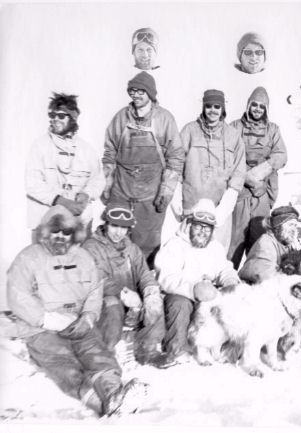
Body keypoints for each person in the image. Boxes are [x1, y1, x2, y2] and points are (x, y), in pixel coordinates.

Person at [6, 206, 147, 416]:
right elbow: (17, 295)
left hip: (76, 322)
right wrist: (47, 320)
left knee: (98, 354)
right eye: (55, 232)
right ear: (45, 232)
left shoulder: (82, 257)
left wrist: (89, 317)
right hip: (40, 329)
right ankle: (101, 404)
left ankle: (113, 393)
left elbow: (94, 290)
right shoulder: (29, 257)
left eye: (66, 232)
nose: (60, 237)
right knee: (64, 365)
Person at [102, 71, 184, 267]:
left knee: (147, 243)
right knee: (116, 237)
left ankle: (145, 286)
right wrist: (107, 184)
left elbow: (176, 156)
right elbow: (109, 151)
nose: (136, 95)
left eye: (141, 91)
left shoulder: (164, 119)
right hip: (122, 190)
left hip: (151, 193)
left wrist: (166, 191)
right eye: (133, 91)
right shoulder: (122, 117)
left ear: (151, 94)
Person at [155, 198, 241, 365]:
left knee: (233, 303)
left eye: (207, 228)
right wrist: (192, 289)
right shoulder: (175, 245)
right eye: (199, 226)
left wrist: (231, 281)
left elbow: (224, 269)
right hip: (182, 294)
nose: (203, 232)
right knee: (179, 304)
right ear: (189, 224)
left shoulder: (215, 248)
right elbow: (166, 277)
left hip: (208, 296)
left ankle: (227, 349)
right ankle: (177, 349)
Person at [82, 203, 167, 366]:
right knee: (112, 304)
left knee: (155, 300)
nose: (118, 232)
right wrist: (122, 294)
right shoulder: (91, 247)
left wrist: (150, 291)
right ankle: (105, 354)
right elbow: (97, 279)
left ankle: (147, 350)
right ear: (106, 223)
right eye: (114, 225)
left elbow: (144, 273)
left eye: (123, 227)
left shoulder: (132, 249)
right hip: (103, 304)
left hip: (131, 304)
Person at [25, 93, 104, 238]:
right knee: (44, 260)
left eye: (61, 116)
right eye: (52, 115)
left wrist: (86, 194)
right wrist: (60, 201)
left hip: (78, 224)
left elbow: (98, 180)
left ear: (73, 118)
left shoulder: (87, 150)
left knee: (80, 259)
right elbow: (32, 184)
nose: (55, 119)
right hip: (45, 224)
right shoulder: (40, 146)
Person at [176, 89, 246, 252]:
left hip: (218, 207)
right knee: (187, 249)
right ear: (203, 107)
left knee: (214, 251)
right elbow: (176, 163)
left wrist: (223, 210)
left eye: (217, 106)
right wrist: (179, 205)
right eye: (208, 106)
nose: (212, 110)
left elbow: (238, 174)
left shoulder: (233, 136)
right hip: (191, 205)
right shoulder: (189, 130)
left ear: (223, 109)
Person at [229, 86, 288, 265]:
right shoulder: (234, 127)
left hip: (262, 193)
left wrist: (258, 174)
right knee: (236, 238)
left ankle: (255, 278)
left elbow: (281, 155)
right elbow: (227, 157)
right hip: (240, 192)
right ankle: (228, 278)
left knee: (260, 238)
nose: (257, 109)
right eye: (254, 105)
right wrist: (246, 177)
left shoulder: (273, 130)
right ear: (248, 106)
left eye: (262, 106)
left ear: (266, 109)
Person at [238, 206, 301, 284]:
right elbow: (266, 276)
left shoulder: (290, 245)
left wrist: (299, 253)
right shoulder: (266, 242)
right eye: (290, 225)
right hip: (255, 289)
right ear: (278, 226)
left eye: (295, 226)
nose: (294, 230)